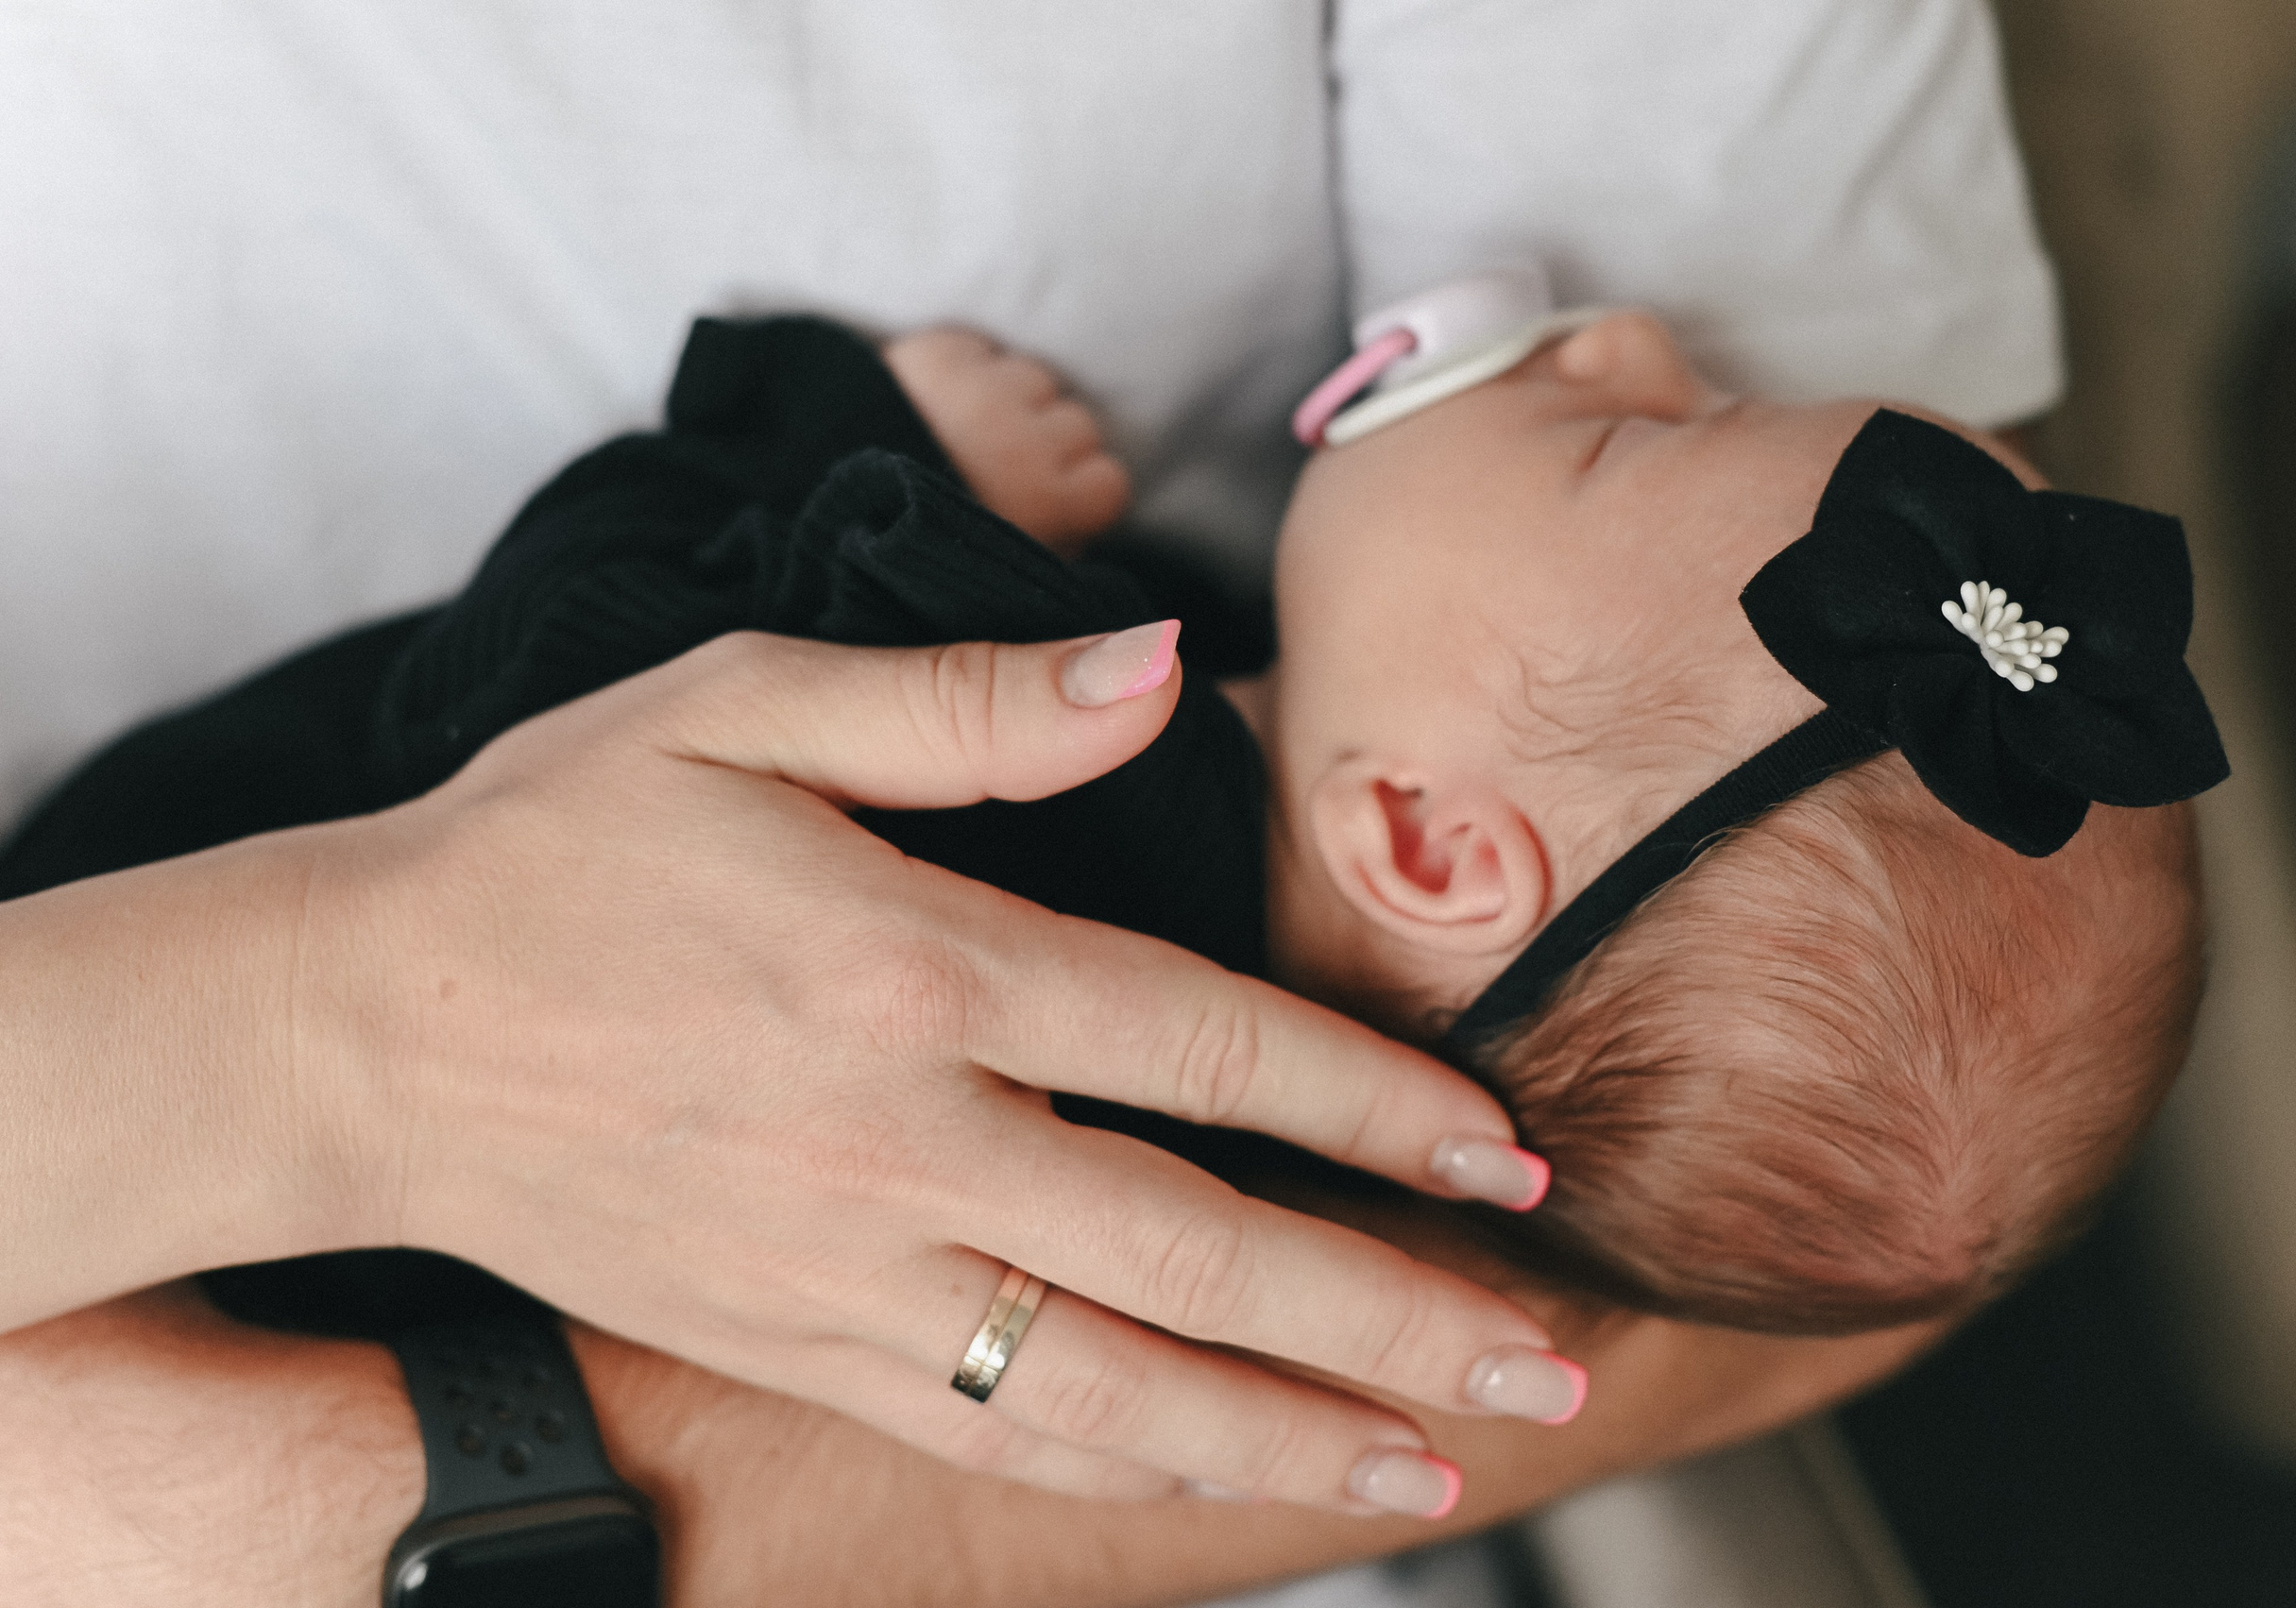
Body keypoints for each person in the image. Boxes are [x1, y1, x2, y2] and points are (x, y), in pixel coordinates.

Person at [0, 2, 2069, 1600]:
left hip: (183, 1023)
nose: (1624, 342)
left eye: (1632, 443)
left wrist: (846, 444)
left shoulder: (1025, 705)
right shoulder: (1309, 1115)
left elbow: (561, 645)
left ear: (1434, 844)